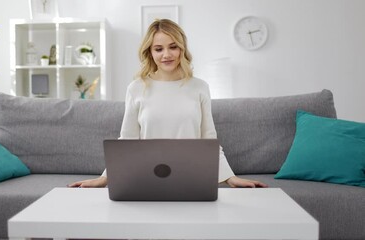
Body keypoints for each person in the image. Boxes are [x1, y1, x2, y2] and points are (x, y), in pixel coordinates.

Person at [68, 19, 267, 188]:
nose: (166, 54)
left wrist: (230, 178)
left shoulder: (199, 87)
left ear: (182, 49)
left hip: (192, 178)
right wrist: (104, 179)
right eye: (158, 49)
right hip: (146, 178)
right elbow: (127, 141)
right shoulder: (136, 88)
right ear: (150, 53)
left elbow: (209, 140)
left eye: (173, 47)